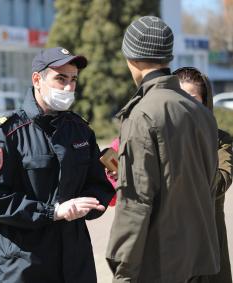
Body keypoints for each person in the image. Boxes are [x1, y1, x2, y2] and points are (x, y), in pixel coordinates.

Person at [0, 47, 115, 283]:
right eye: (60, 78)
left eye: (73, 80)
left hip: (74, 262)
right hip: (25, 265)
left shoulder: (80, 130)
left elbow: (98, 185)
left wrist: (90, 203)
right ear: (37, 80)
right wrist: (53, 212)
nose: (68, 87)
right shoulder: (8, 133)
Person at [106, 16, 220, 283]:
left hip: (156, 263)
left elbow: (135, 203)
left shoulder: (143, 114)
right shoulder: (200, 113)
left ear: (130, 58)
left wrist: (123, 272)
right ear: (168, 56)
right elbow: (209, 185)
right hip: (196, 259)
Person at [174, 66, 233, 283]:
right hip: (170, 243)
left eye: (191, 98)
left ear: (205, 101)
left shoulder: (220, 141)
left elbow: (219, 183)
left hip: (208, 242)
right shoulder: (159, 137)